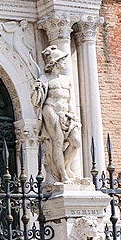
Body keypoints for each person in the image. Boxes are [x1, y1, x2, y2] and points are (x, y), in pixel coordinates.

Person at [32, 45, 81, 183]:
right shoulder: (44, 79)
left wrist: (72, 114)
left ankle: (66, 168)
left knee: (76, 142)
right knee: (58, 142)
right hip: (51, 110)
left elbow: (70, 99)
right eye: (62, 60)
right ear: (55, 62)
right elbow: (36, 101)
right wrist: (37, 89)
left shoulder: (67, 80)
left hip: (66, 114)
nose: (65, 62)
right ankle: (62, 176)